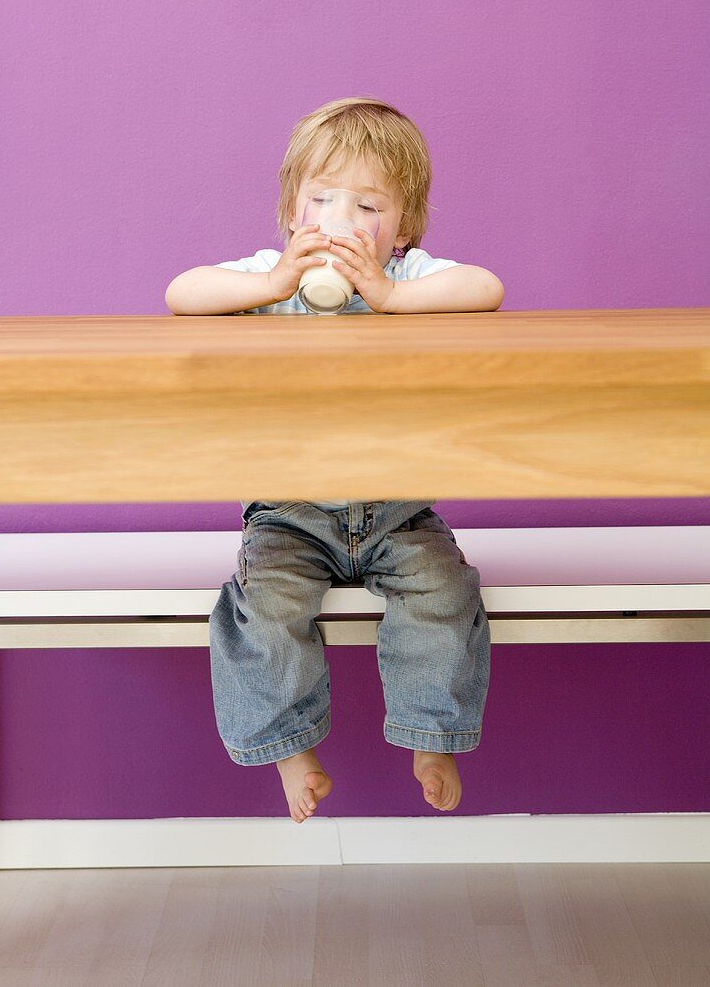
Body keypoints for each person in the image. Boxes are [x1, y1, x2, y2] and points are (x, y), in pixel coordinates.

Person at [165, 97, 503, 824]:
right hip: (292, 510)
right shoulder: (269, 279)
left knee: (444, 594)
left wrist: (384, 296)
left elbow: (486, 289)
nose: (340, 220)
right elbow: (181, 293)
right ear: (292, 213)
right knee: (263, 610)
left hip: (397, 508)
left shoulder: (410, 280)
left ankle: (430, 736)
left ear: (402, 229)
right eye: (321, 199)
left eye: (367, 206)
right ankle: (291, 752)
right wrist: (269, 287)